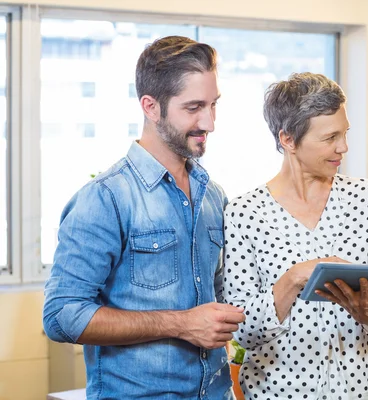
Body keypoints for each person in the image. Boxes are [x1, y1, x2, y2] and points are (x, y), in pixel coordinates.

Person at [42, 36, 245, 399]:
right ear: (151, 107)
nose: (210, 122)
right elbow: (61, 317)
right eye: (194, 107)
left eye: (214, 105)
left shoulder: (213, 195)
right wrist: (181, 324)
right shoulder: (105, 198)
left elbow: (223, 298)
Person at [221, 72, 368, 399]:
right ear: (288, 139)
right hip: (280, 391)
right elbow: (243, 331)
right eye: (330, 137)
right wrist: (291, 280)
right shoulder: (244, 213)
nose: (343, 147)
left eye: (345, 133)